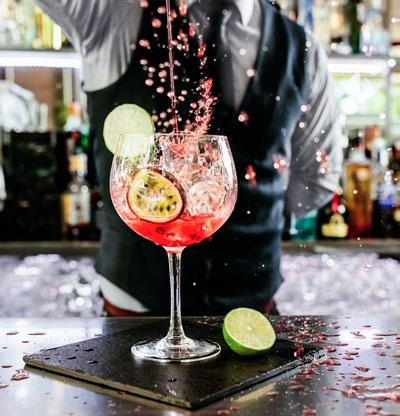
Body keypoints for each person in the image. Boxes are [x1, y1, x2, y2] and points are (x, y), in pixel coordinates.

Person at [34, 0, 342, 316]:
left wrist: (257, 214)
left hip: (251, 319)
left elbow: (317, 178)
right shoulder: (109, 12)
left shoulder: (301, 48)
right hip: (133, 317)